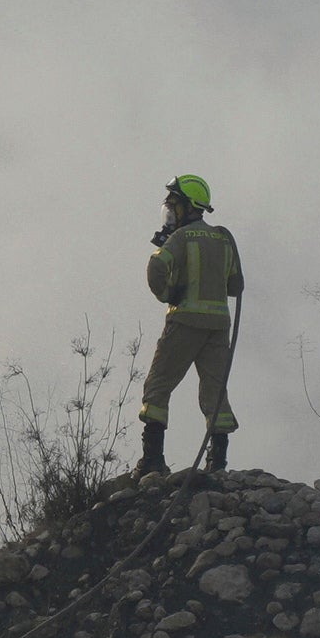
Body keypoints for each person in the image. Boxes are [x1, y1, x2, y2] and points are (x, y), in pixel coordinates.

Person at [140, 171, 244, 477]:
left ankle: (152, 462)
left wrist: (169, 294)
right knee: (215, 394)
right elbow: (236, 286)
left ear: (188, 207)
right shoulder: (224, 239)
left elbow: (155, 268)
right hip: (217, 327)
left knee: (157, 387)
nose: (170, 211)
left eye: (175, 205)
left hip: (184, 322)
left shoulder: (181, 238)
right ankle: (218, 464)